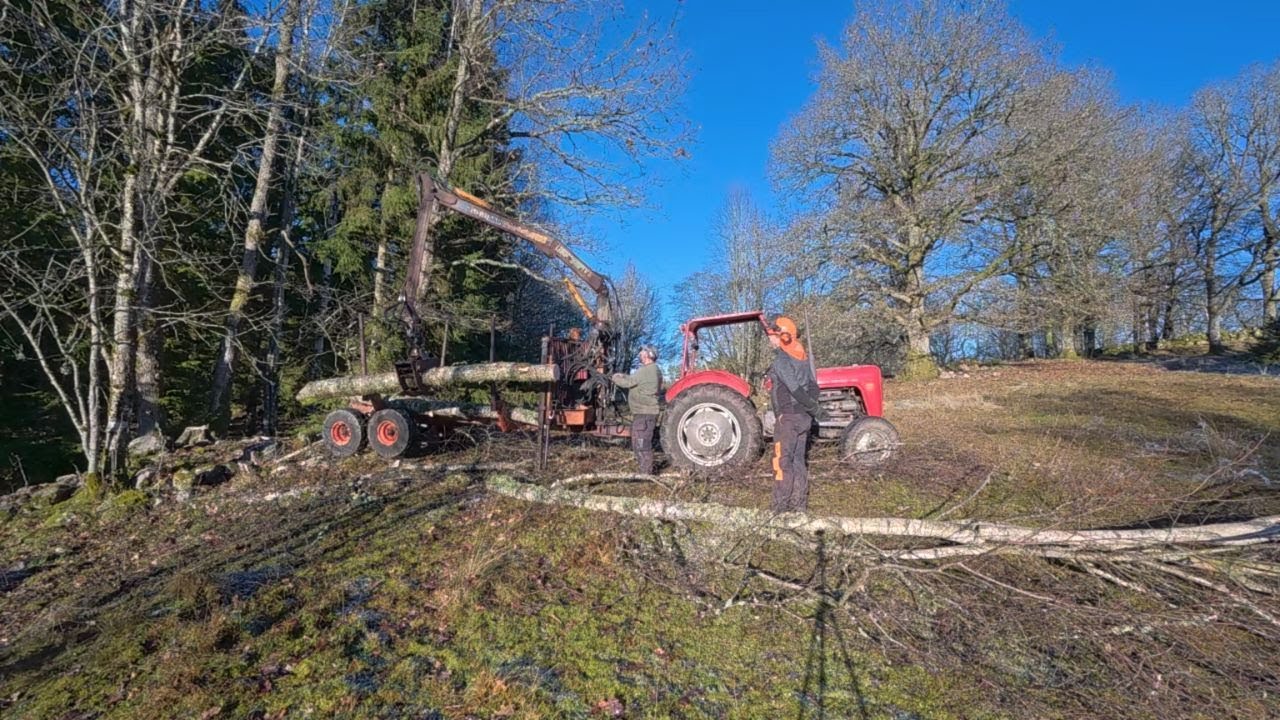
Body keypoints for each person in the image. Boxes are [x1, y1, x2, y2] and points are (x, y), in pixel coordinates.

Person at [765, 316, 825, 512]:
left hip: (789, 419)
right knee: (799, 461)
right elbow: (814, 387)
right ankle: (800, 507)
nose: (770, 340)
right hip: (803, 419)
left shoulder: (782, 360)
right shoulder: (802, 356)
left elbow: (795, 389)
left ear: (783, 336)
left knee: (782, 462)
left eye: (772, 336)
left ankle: (779, 510)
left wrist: (811, 408)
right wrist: (811, 409)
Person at [612, 345, 663, 475]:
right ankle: (644, 470)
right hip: (644, 413)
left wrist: (614, 377)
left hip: (644, 414)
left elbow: (628, 382)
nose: (640, 354)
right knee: (638, 442)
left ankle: (646, 474)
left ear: (648, 355)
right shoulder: (653, 370)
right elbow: (635, 380)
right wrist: (622, 375)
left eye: (642, 352)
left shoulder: (646, 370)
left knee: (641, 444)